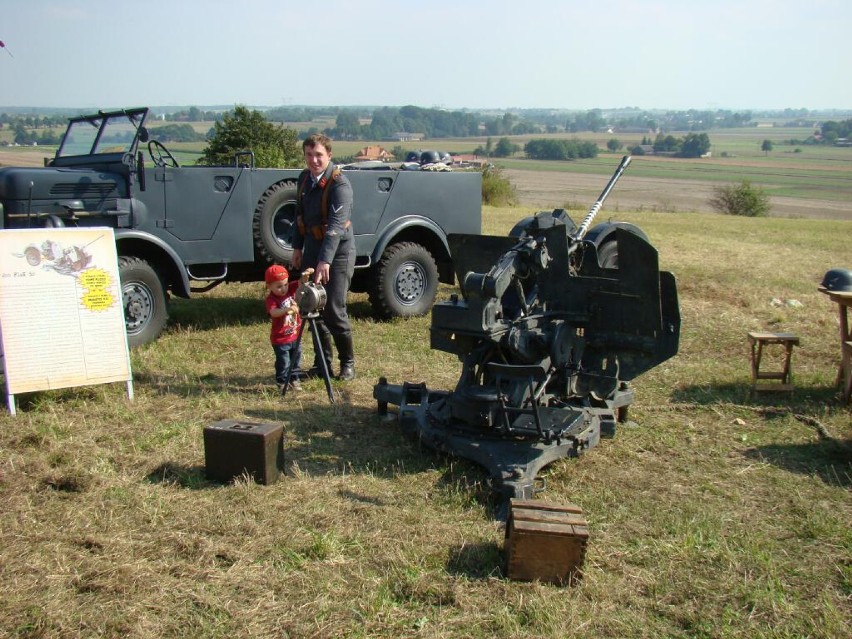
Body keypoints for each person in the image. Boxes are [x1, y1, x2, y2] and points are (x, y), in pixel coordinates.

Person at [291, 133, 356, 381]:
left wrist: (325, 261)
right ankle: (322, 364)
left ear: (329, 155)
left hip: (338, 253)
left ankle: (347, 363)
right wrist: (297, 248)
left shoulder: (340, 185)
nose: (314, 160)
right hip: (312, 248)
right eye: (309, 155)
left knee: (333, 309)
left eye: (318, 154)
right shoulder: (304, 179)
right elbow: (299, 217)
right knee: (311, 306)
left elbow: (336, 228)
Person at [264, 264, 311, 393]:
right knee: (283, 361)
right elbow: (273, 312)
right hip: (280, 338)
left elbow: (301, 284)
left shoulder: (290, 289)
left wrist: (305, 276)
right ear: (269, 286)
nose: (283, 289)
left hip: (295, 335)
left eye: (285, 284)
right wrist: (287, 310)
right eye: (278, 286)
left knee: (296, 358)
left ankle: (294, 378)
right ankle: (282, 381)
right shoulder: (271, 299)